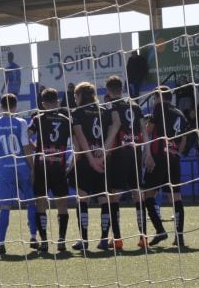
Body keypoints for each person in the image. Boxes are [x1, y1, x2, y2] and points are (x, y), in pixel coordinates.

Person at [0, 93, 36, 257]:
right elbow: (26, 146)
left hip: (5, 168)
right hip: (22, 166)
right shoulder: (21, 122)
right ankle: (33, 237)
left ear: (1, 106)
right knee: (30, 203)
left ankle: (1, 243)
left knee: (5, 207)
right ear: (15, 106)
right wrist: (32, 167)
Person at [102, 76, 150, 250]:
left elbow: (113, 129)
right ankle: (143, 237)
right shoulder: (135, 106)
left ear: (108, 91)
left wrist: (104, 151)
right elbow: (144, 130)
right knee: (138, 192)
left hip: (117, 153)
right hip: (135, 152)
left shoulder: (109, 106)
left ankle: (118, 239)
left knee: (114, 194)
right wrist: (148, 152)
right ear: (122, 89)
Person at [141, 86, 189, 249]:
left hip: (158, 156)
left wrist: (144, 125)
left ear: (158, 98)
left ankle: (160, 230)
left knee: (147, 194)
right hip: (173, 157)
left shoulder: (159, 107)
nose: (154, 101)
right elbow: (183, 140)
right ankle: (179, 236)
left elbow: (149, 130)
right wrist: (176, 153)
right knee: (175, 197)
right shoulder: (180, 113)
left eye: (155, 98)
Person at [29, 88, 75, 253]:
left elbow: (25, 136)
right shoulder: (65, 119)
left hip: (42, 167)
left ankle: (44, 242)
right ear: (57, 102)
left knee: (40, 203)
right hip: (59, 166)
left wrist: (36, 148)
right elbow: (76, 141)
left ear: (42, 104)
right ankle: (61, 240)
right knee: (62, 204)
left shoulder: (37, 118)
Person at [69, 82, 109, 252]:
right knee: (103, 199)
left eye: (76, 95)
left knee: (82, 198)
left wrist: (86, 159)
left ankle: (84, 240)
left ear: (80, 96)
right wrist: (102, 154)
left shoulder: (77, 112)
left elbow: (79, 139)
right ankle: (104, 239)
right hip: (102, 159)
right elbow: (110, 135)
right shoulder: (104, 111)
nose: (74, 99)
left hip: (86, 161)